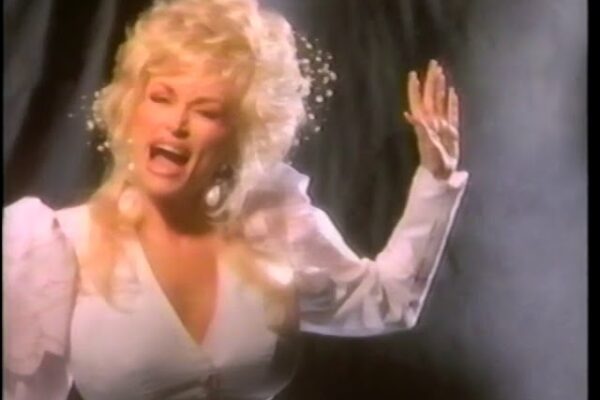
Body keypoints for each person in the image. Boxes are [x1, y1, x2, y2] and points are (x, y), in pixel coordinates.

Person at [3, 0, 469, 399]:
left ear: (241, 138)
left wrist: (437, 179)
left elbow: (386, 303)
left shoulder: (275, 224)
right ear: (130, 110)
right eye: (162, 98)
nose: (176, 124)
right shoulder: (53, 246)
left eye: (206, 111)